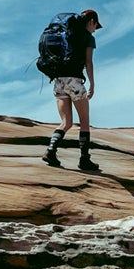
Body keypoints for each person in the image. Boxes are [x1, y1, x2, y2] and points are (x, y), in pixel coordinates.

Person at [42, 9, 103, 171]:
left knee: (66, 122)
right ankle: (84, 160)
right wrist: (92, 84)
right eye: (96, 26)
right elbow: (89, 63)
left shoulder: (67, 34)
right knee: (84, 122)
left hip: (58, 82)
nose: (95, 29)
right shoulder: (88, 37)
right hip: (74, 82)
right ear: (91, 22)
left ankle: (50, 152)